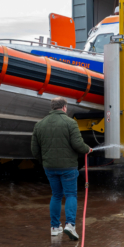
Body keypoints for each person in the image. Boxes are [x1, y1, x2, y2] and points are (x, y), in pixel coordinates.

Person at [31, 97, 92, 239]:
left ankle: (54, 227)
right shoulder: (70, 123)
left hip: (49, 167)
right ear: (64, 107)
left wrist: (45, 161)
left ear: (52, 108)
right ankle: (70, 225)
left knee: (56, 195)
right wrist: (87, 149)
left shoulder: (39, 125)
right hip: (68, 167)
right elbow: (78, 144)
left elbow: (34, 150)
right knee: (71, 194)